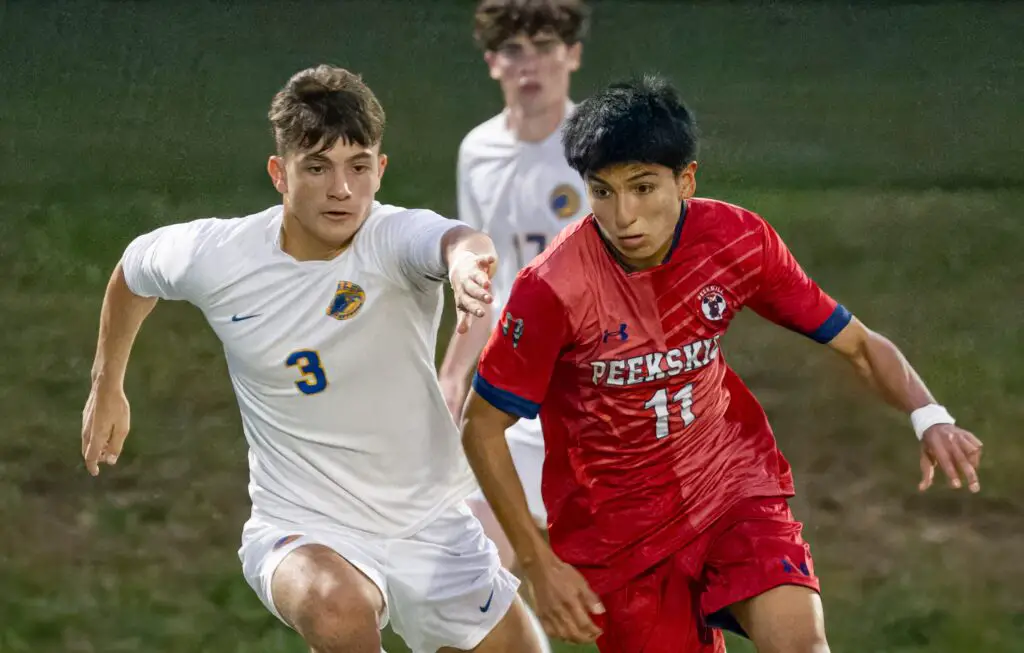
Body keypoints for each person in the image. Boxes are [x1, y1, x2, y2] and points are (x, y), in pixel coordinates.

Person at [460, 74, 984, 653]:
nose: (624, 215)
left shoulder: (737, 241)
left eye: (643, 187)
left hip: (731, 490)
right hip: (619, 532)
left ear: (686, 181)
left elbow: (858, 343)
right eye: (602, 192)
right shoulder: (552, 289)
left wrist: (928, 413)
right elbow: (481, 426)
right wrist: (538, 564)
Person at [80, 64, 543, 653]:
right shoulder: (221, 256)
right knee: (336, 606)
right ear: (280, 173)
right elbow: (134, 270)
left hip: (430, 523)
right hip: (302, 524)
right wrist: (106, 384)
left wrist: (466, 266)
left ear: (380, 170)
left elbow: (455, 240)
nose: (341, 190)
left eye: (357, 167)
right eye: (317, 167)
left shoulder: (393, 239)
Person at [438, 4, 589, 650]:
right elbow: (490, 284)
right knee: (470, 586)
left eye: (545, 44)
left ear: (573, 55)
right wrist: (450, 375)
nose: (529, 62)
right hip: (516, 402)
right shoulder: (479, 151)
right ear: (492, 61)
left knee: (647, 596)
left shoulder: (602, 145)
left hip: (605, 399)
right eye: (513, 48)